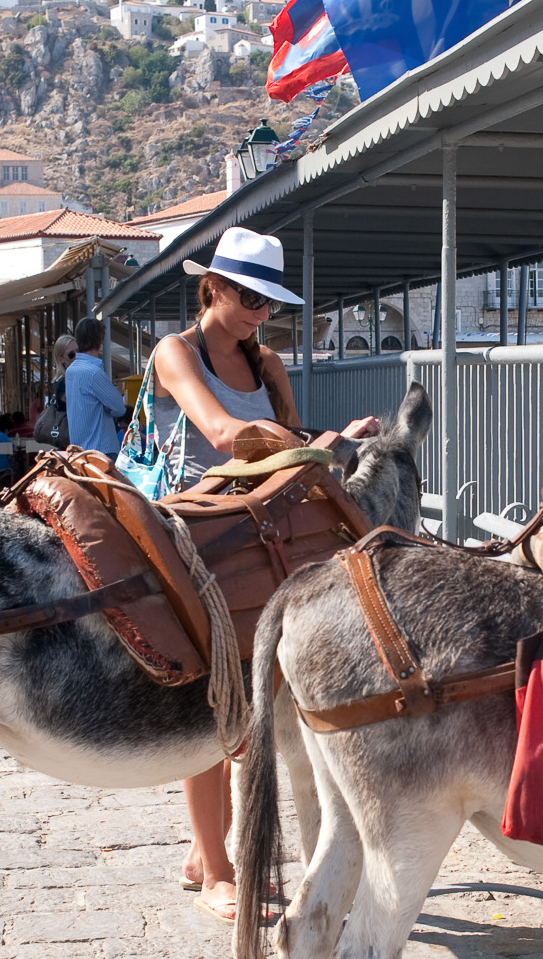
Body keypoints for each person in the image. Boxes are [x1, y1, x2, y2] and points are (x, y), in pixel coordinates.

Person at [147, 226, 381, 920]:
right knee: (216, 695)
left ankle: (204, 851)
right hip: (195, 524)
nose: (258, 311)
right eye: (249, 295)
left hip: (261, 528)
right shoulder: (174, 352)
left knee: (257, 698)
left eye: (269, 301)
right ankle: (217, 867)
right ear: (211, 287)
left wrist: (327, 439)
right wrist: (317, 444)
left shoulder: (269, 363)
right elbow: (221, 432)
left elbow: (289, 439)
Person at [64, 317, 128, 453]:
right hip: (101, 449)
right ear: (100, 341)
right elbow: (120, 408)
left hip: (79, 450)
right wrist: (107, 407)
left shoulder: (71, 371)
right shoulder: (94, 373)